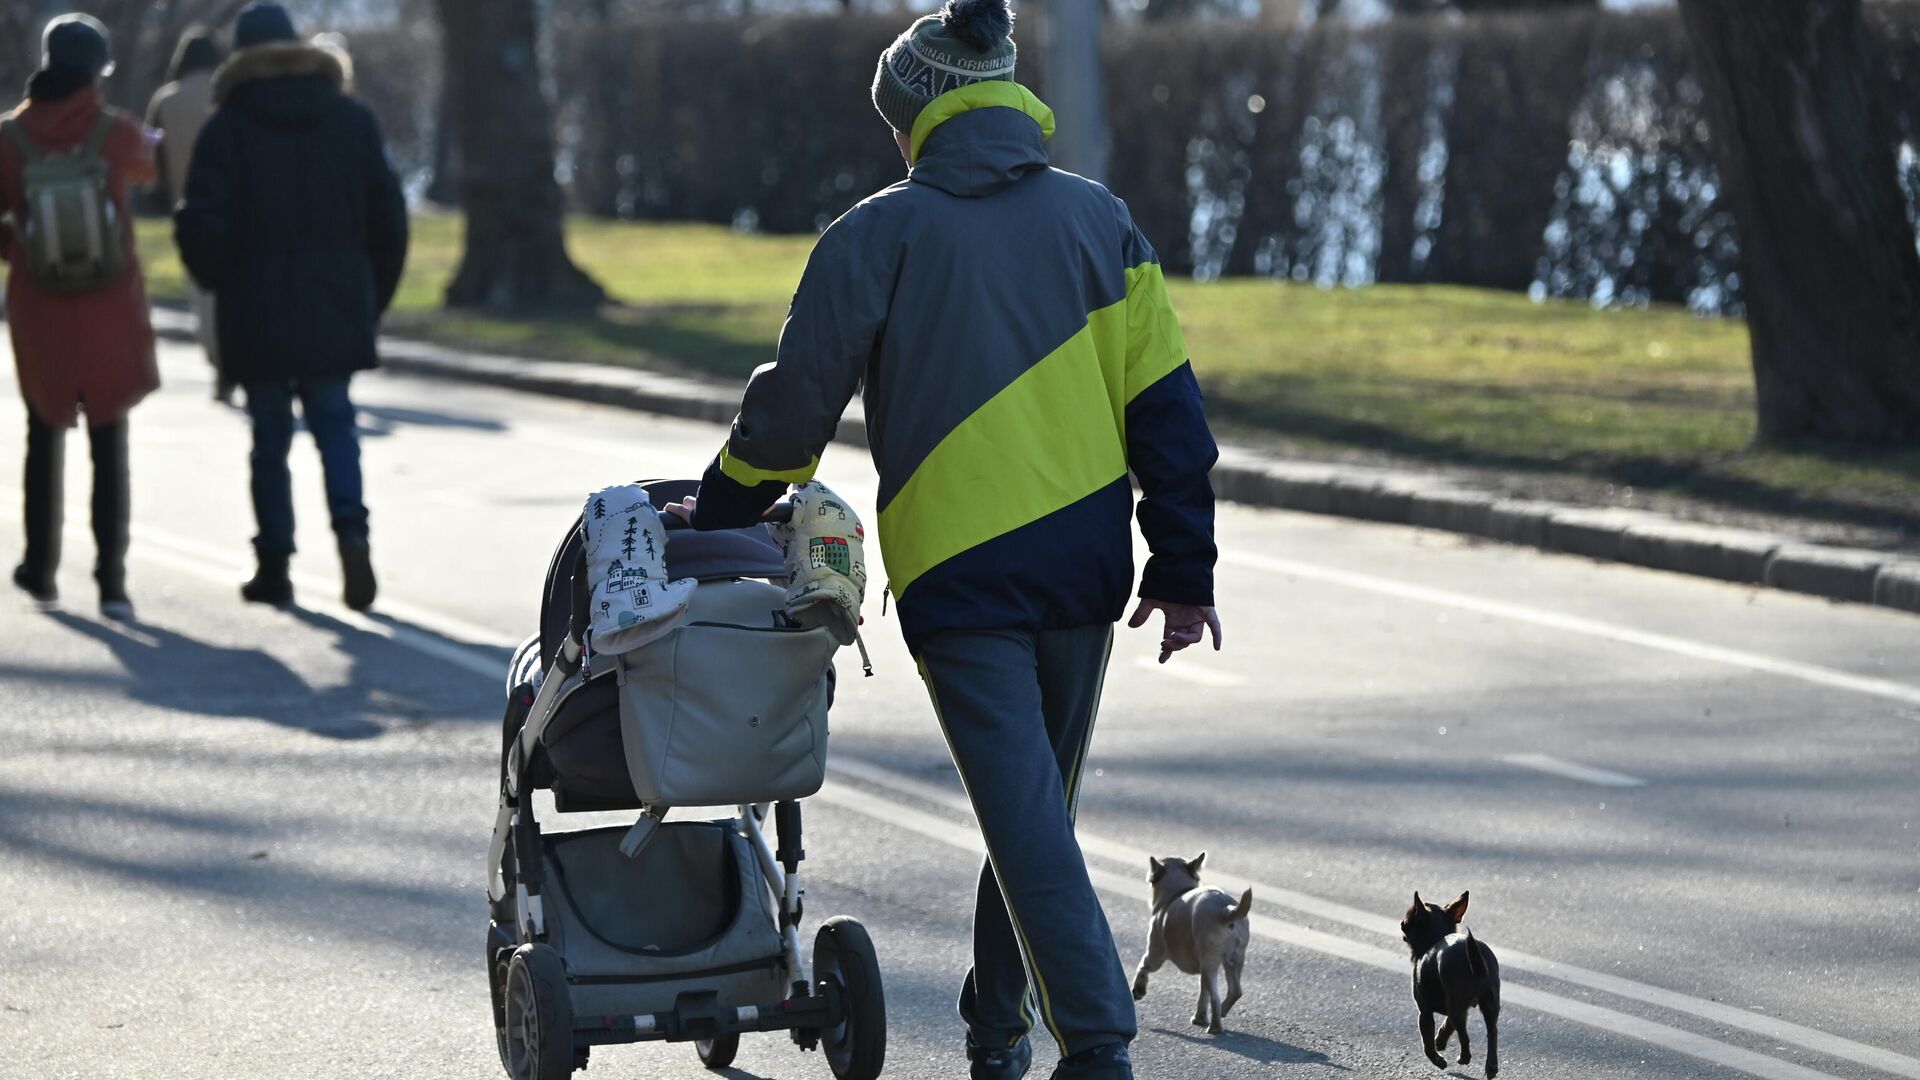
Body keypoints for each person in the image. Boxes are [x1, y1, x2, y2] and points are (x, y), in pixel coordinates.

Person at [673, 1, 1221, 1076]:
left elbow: (790, 422)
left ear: (918, 116)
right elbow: (1168, 413)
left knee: (1028, 823)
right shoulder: (1101, 221)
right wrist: (1183, 569)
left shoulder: (876, 233)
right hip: (1082, 572)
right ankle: (994, 1032)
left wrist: (722, 508)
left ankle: (1099, 1047)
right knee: (1033, 816)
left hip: (961, 582)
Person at [176, 3, 407, 611]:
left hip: (257, 309)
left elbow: (203, 226)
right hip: (334, 302)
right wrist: (369, 297)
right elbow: (390, 220)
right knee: (336, 425)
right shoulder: (351, 118)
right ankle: (352, 535)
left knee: (269, 437)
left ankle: (274, 564)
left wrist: (215, 278)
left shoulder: (225, 127)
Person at [1, 14, 160, 621]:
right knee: (108, 439)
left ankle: (40, 567)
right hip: (109, 304)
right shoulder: (114, 132)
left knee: (43, 434)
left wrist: (20, 248)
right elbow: (149, 170)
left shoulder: (9, 139)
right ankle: (112, 582)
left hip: (40, 305)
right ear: (98, 69)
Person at [145, 26, 227, 402]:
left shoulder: (167, 100)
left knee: (202, 293)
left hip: (187, 204)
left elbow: (152, 159)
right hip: (230, 203)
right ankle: (231, 360)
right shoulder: (227, 93)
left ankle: (219, 359)